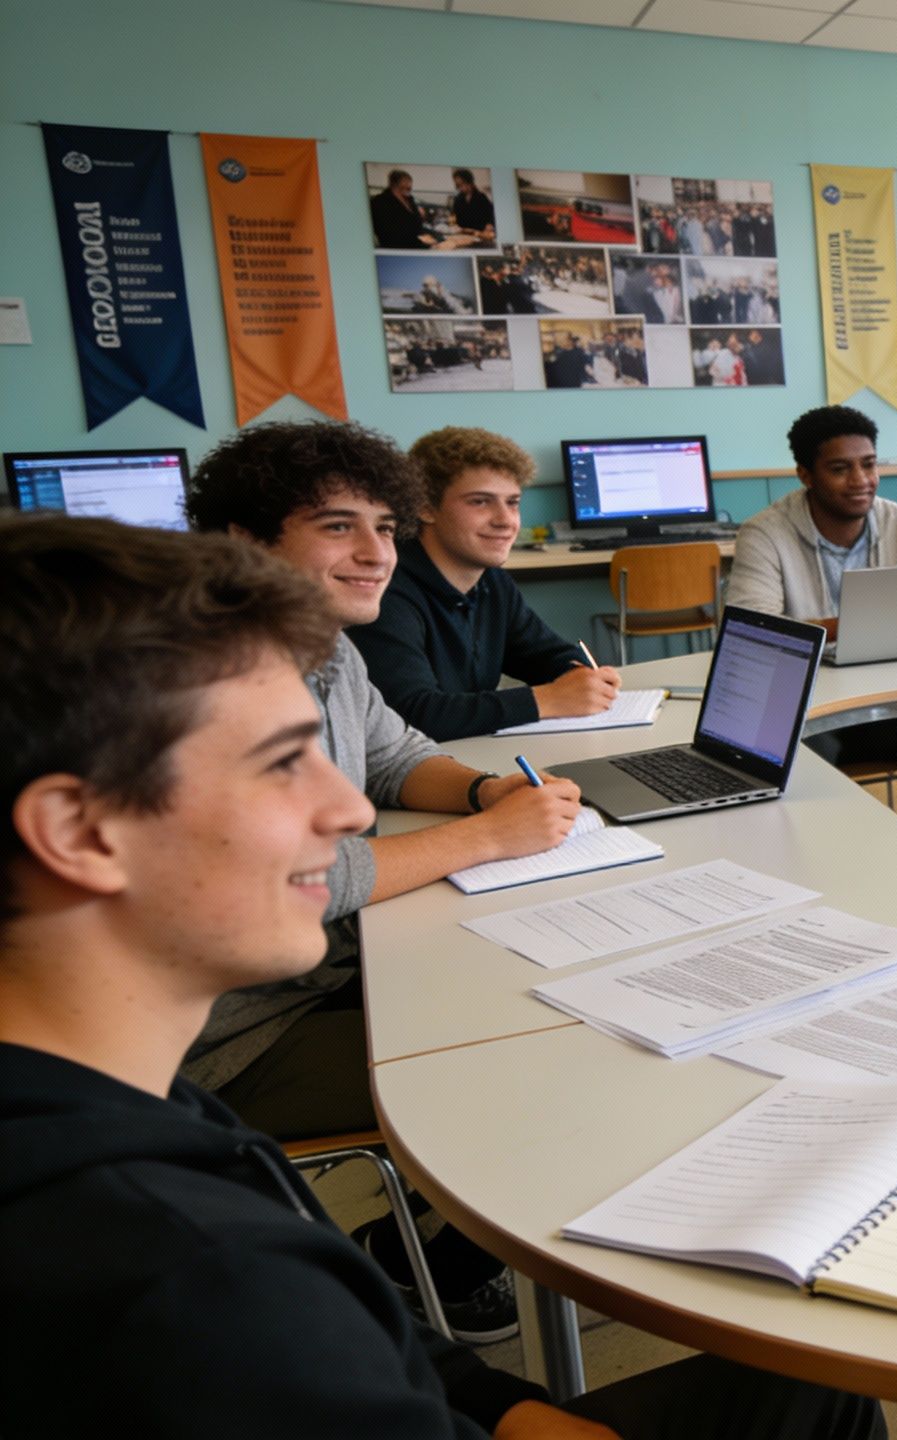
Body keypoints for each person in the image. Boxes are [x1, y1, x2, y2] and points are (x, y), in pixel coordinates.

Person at [0, 516, 886, 1440]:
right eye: (278, 765)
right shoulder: (187, 1271)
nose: (348, 807)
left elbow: (388, 1366)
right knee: (817, 1381)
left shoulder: (128, 1102)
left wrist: (507, 1409)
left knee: (808, 1384)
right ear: (77, 832)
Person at [183, 420, 586, 1341]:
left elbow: (395, 758)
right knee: (534, 1053)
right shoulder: (216, 675)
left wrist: (488, 789)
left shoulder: (322, 644)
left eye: (385, 527)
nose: (375, 554)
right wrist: (487, 838)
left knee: (527, 985)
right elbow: (300, 880)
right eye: (337, 528)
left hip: (316, 977)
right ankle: (421, 1270)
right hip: (232, 1043)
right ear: (245, 543)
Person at [729, 405, 897, 860]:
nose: (860, 480)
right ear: (805, 475)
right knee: (810, 771)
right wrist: (850, 625)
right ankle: (826, 875)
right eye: (840, 468)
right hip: (802, 709)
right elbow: (754, 632)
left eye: (869, 464)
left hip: (884, 702)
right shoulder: (763, 534)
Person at [349, 427, 621, 741]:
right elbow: (415, 713)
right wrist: (548, 699)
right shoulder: (383, 590)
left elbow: (542, 653)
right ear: (424, 507)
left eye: (513, 503)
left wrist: (577, 675)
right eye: (480, 502)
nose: (505, 520)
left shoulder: (490, 580)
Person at [369, 168, 436, 250]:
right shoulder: (380, 202)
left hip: (416, 244)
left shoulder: (409, 199)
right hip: (397, 249)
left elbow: (416, 222)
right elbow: (390, 234)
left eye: (410, 182)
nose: (410, 186)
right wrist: (423, 243)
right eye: (406, 182)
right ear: (394, 184)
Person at [447, 167, 496, 245]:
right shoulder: (458, 199)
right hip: (464, 234)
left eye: (462, 184)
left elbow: (492, 215)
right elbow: (455, 217)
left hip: (479, 234)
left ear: (469, 182)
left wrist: (489, 225)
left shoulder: (481, 197)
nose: (461, 188)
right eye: (458, 185)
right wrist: (454, 225)